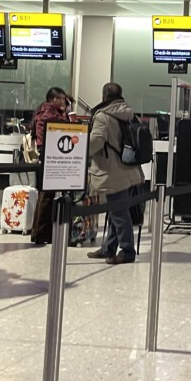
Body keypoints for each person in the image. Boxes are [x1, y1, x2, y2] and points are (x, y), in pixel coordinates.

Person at [85, 82, 143, 264]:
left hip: (111, 171)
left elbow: (96, 141)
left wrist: (80, 151)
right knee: (115, 210)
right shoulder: (128, 113)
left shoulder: (103, 116)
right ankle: (108, 248)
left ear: (104, 96)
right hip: (129, 168)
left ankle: (127, 251)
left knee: (118, 213)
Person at [29, 87, 70, 245]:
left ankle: (39, 231)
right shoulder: (49, 114)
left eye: (63, 98)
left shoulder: (48, 112)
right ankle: (41, 233)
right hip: (49, 157)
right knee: (46, 195)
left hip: (49, 156)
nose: (61, 101)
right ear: (50, 99)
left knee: (45, 195)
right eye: (58, 98)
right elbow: (55, 133)